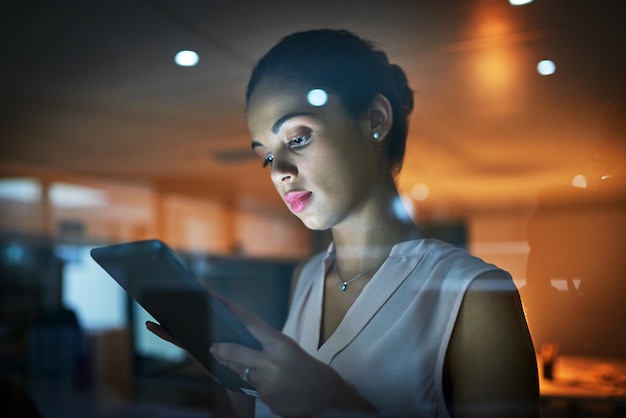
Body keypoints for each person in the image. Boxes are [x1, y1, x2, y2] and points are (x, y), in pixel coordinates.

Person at [147, 29, 539, 417]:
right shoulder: (309, 277)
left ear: (375, 119)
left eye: (297, 138)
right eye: (266, 156)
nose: (278, 171)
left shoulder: (477, 295)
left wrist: (335, 405)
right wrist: (227, 367)